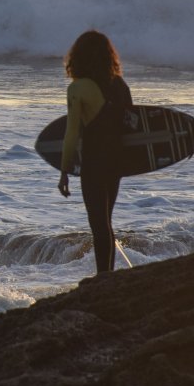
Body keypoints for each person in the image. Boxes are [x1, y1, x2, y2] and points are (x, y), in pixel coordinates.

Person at [57, 30, 132, 274]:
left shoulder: (78, 88)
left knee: (98, 224)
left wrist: (64, 171)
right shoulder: (120, 85)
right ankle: (106, 275)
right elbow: (131, 124)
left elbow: (71, 134)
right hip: (117, 161)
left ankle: (103, 277)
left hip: (94, 161)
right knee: (105, 223)